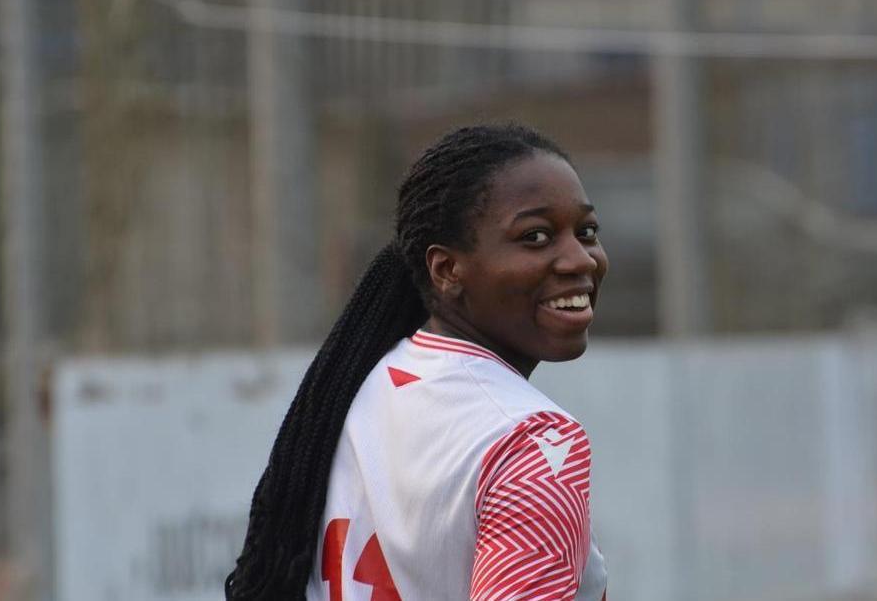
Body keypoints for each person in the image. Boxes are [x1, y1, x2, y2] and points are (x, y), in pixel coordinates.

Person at [225, 124, 610, 600]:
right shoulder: (530, 439)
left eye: (587, 231)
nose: (581, 260)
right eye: (535, 237)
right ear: (447, 270)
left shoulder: (358, 389)